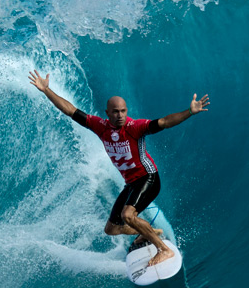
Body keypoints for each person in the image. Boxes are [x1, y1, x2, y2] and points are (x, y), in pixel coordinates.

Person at [28, 70, 209, 267]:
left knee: (127, 215)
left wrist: (189, 111)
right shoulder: (100, 126)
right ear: (107, 113)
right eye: (116, 112)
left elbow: (164, 122)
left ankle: (163, 250)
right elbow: (71, 110)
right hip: (131, 183)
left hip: (148, 177)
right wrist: (46, 90)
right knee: (112, 229)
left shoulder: (135, 127)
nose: (121, 115)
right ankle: (147, 232)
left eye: (123, 111)